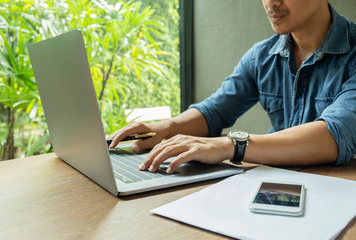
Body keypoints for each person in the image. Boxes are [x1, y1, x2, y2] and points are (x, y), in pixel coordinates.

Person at [108, 0, 356, 174]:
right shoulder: (262, 56)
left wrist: (231, 145)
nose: (271, 3)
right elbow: (215, 111)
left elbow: (333, 136)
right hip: (277, 186)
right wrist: (166, 127)